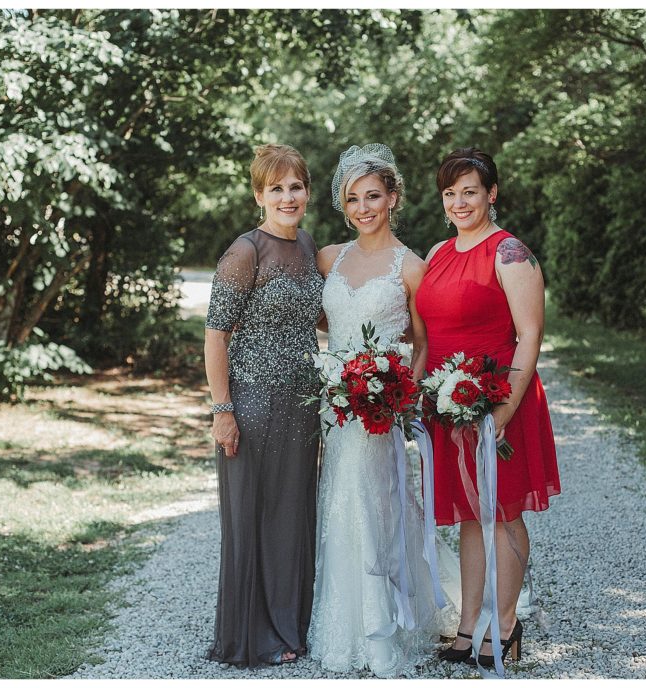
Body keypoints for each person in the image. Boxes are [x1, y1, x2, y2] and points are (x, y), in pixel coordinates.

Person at [308, 143, 458, 677]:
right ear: (343, 205)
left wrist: (398, 392)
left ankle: (380, 632)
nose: (364, 207)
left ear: (392, 197)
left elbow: (422, 343)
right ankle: (342, 623)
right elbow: (326, 321)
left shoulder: (411, 266)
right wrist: (340, 371)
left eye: (374, 196)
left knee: (374, 501)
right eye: (353, 199)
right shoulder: (329, 257)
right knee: (341, 501)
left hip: (379, 409)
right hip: (336, 404)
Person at [415, 147, 561, 668]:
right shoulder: (436, 253)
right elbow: (426, 334)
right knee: (470, 519)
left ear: (491, 194)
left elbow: (530, 335)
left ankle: (506, 626)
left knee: (502, 511)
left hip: (501, 399)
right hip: (448, 405)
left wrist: (501, 411)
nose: (459, 202)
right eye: (450, 193)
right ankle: (467, 627)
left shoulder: (510, 253)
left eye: (470, 191)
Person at [204, 143, 323, 667]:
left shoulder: (310, 247)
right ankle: (252, 638)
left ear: (308, 192)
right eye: (276, 188)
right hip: (250, 406)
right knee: (252, 517)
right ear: (259, 195)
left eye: (295, 186)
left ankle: (289, 628)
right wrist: (221, 410)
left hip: (303, 407)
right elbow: (214, 336)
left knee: (292, 516)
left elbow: (317, 316)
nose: (288, 196)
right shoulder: (245, 251)